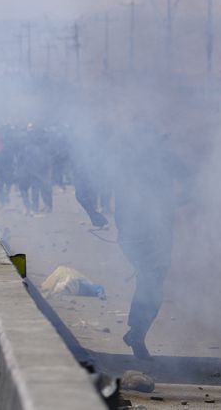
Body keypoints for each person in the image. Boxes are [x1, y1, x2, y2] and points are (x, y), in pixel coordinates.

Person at [75, 120, 190, 360]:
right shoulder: (124, 161)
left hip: (156, 233)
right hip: (135, 234)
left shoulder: (159, 159)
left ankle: (136, 331)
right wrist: (93, 212)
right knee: (151, 281)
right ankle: (137, 334)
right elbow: (85, 183)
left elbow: (194, 182)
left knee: (152, 283)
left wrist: (94, 213)